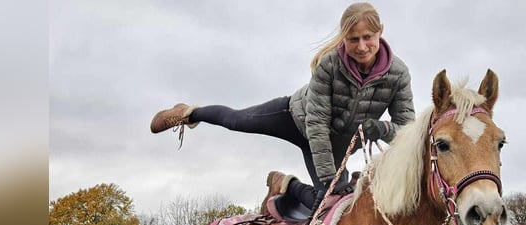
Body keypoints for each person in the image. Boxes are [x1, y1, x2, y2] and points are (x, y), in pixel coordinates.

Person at [150, 2, 415, 211]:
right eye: (353, 39)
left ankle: (285, 185)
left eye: (368, 37)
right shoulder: (329, 65)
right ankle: (188, 113)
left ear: (381, 32)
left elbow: (408, 130)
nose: (361, 46)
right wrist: (328, 179)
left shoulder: (399, 74)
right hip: (297, 119)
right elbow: (317, 124)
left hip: (338, 145)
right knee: (238, 120)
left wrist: (383, 128)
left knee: (333, 208)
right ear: (344, 38)